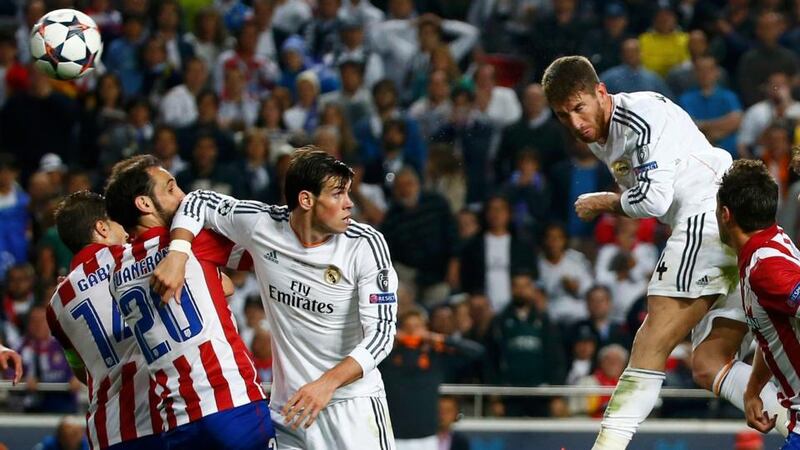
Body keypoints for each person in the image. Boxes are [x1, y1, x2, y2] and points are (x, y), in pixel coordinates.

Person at [541, 55, 786, 449]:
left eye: (578, 108)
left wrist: (606, 201)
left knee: (651, 341)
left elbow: (654, 200)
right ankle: (794, 422)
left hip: (708, 216)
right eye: (562, 115)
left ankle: (608, 445)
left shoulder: (638, 118)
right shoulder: (604, 134)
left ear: (600, 92)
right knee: (708, 366)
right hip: (727, 226)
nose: (574, 123)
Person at [153, 147, 398, 449]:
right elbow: (199, 201)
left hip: (352, 406)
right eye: (338, 195)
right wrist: (178, 254)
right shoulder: (263, 225)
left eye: (348, 194)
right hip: (290, 411)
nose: (349, 204)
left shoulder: (365, 245)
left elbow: (383, 334)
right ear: (306, 200)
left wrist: (327, 383)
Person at [103, 155, 276, 449]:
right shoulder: (194, 242)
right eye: (171, 189)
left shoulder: (116, 274)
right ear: (144, 204)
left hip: (177, 421)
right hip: (231, 404)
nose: (182, 197)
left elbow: (218, 287)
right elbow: (265, 251)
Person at [46, 191, 166, 450]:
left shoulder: (57, 304)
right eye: (118, 222)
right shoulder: (136, 256)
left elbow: (81, 371)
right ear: (101, 228)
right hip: (161, 416)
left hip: (108, 431)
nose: (126, 231)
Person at [716, 159, 800, 449]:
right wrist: (753, 390)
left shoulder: (766, 268)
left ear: (725, 214)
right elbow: (775, 329)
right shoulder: (773, 241)